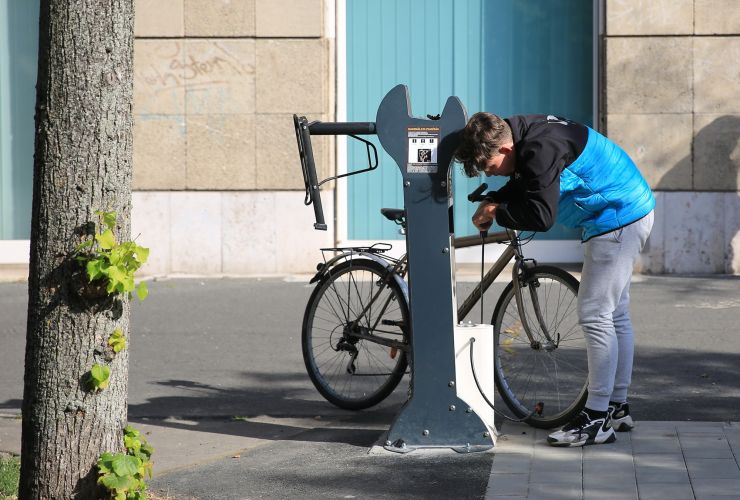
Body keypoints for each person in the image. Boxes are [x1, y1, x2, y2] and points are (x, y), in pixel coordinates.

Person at [454, 112, 655, 447]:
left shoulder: (540, 147)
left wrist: (497, 212)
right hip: (628, 207)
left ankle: (595, 420)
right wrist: (498, 199)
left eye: (488, 166)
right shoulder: (527, 134)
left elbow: (541, 215)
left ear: (503, 150)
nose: (488, 173)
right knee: (614, 314)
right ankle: (616, 408)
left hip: (617, 216)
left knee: (595, 315)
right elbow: (529, 180)